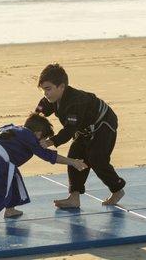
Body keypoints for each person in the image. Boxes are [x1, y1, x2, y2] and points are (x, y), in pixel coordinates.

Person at [0, 113, 86, 229]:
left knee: (13, 177)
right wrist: (73, 162)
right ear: (38, 134)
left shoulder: (14, 128)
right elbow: (49, 156)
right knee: (1, 192)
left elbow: (2, 129)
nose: (44, 144)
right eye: (44, 140)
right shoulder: (29, 136)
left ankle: (10, 209)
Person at [35, 63, 126, 208]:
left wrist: (48, 142)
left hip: (104, 124)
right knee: (74, 158)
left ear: (62, 87)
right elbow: (37, 115)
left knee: (96, 158)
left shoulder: (75, 102)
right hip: (84, 127)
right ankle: (74, 198)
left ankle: (117, 189)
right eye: (43, 90)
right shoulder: (49, 99)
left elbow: (69, 131)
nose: (46, 93)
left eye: (48, 89)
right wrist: (30, 132)